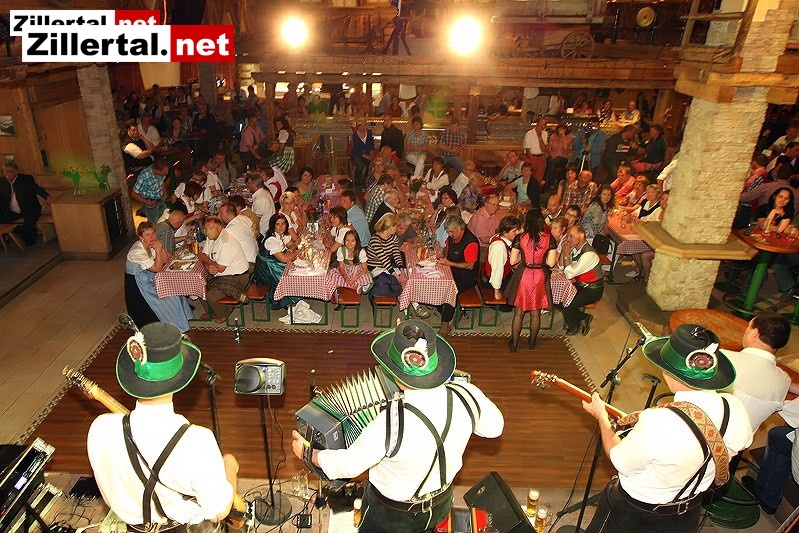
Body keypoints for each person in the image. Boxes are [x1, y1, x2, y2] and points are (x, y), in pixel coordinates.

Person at [291, 320, 503, 533]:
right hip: (440, 504)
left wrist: (309, 453)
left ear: (396, 374)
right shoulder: (467, 394)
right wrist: (454, 385)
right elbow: (495, 428)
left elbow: (349, 465)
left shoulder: (390, 422)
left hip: (393, 515)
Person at [581, 325, 753, 532]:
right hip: (689, 511)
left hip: (636, 513)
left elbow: (620, 460)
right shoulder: (734, 407)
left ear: (670, 373)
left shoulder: (658, 421)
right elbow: (737, 444)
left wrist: (602, 417)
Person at [87, 321, 239, 531]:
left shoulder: (101, 428)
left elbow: (108, 491)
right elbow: (218, 512)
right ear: (180, 378)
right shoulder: (197, 441)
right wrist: (229, 466)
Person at [724, 311, 792, 432]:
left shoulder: (723, 359)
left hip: (697, 433)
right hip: (739, 441)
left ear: (754, 333)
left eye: (748, 327)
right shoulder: (784, 381)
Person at [124, 222, 193, 333]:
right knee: (169, 296)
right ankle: (175, 325)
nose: (151, 237)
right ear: (141, 237)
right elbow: (157, 268)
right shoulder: (137, 252)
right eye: (147, 235)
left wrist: (161, 249)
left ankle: (182, 318)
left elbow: (168, 259)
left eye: (153, 234)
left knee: (174, 287)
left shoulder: (152, 244)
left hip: (149, 275)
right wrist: (157, 250)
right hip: (139, 283)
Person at [507, 210, 556, 352]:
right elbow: (551, 263)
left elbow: (512, 261)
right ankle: (532, 342)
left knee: (519, 313)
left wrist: (522, 258)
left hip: (524, 274)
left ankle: (514, 344)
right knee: (535, 313)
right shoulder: (550, 239)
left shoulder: (520, 238)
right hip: (540, 275)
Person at [198, 216, 251, 323]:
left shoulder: (226, 242)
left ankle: (224, 311)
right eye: (206, 229)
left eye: (211, 229)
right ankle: (214, 311)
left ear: (220, 228)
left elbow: (220, 268)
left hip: (237, 277)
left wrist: (205, 260)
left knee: (211, 296)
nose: (208, 232)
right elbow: (204, 255)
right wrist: (207, 266)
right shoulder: (211, 237)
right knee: (198, 287)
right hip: (221, 275)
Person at [555, 224, 603, 335]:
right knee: (555, 297)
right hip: (579, 285)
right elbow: (561, 267)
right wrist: (564, 252)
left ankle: (575, 324)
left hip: (592, 290)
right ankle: (583, 317)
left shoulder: (589, 254)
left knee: (567, 305)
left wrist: (566, 255)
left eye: (571, 236)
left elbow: (569, 274)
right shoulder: (575, 249)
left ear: (582, 236)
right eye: (567, 236)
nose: (568, 239)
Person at [437, 216, 480, 336]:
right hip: (453, 271)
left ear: (460, 228)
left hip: (467, 276)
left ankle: (446, 322)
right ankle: (443, 308)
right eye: (448, 232)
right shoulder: (452, 237)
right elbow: (447, 248)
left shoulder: (471, 242)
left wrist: (449, 263)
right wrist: (442, 255)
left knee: (451, 290)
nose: (450, 234)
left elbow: (470, 265)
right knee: (437, 281)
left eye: (452, 232)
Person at [253, 213, 299, 310]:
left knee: (297, 268)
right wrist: (297, 252)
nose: (281, 227)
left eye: (283, 223)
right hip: (266, 268)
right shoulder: (271, 240)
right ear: (273, 226)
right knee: (292, 275)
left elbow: (292, 245)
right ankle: (284, 297)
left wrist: (290, 251)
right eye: (278, 224)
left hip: (275, 263)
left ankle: (289, 297)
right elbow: (284, 259)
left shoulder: (282, 235)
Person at [0, 162, 51, 246]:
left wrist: (47, 196)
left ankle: (28, 236)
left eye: (8, 172)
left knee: (29, 238)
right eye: (4, 172)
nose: (6, 175)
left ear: (16, 171)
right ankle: (8, 236)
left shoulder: (26, 179)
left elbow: (37, 189)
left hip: (30, 209)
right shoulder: (2, 182)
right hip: (13, 211)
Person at [331, 229, 373, 294]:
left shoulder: (361, 252)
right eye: (347, 240)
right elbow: (341, 267)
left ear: (357, 241)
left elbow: (365, 269)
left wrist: (354, 279)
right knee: (331, 274)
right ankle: (354, 286)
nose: (349, 243)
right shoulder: (341, 250)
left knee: (366, 277)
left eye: (352, 241)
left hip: (357, 272)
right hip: (345, 270)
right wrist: (345, 277)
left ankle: (344, 284)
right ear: (344, 240)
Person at [132, 160, 169, 225]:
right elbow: (134, 194)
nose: (167, 173)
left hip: (161, 200)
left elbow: (161, 181)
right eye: (165, 172)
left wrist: (165, 193)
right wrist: (148, 203)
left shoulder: (160, 173)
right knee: (155, 225)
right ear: (158, 171)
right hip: (151, 205)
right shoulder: (144, 176)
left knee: (166, 220)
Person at [523, 118, 549, 185]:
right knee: (529, 178)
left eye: (544, 124)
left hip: (540, 157)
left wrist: (539, 137)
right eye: (541, 124)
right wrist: (533, 162)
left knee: (538, 179)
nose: (542, 126)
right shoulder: (529, 134)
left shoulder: (545, 133)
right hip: (530, 157)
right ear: (537, 123)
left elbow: (543, 149)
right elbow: (528, 150)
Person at [351, 118, 375, 189]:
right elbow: (357, 149)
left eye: (366, 124)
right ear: (359, 126)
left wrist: (371, 153)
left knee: (370, 164)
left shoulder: (369, 133)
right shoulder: (355, 135)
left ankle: (366, 180)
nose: (366, 126)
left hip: (366, 153)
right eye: (364, 125)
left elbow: (371, 144)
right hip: (356, 154)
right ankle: (357, 181)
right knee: (360, 166)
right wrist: (367, 157)